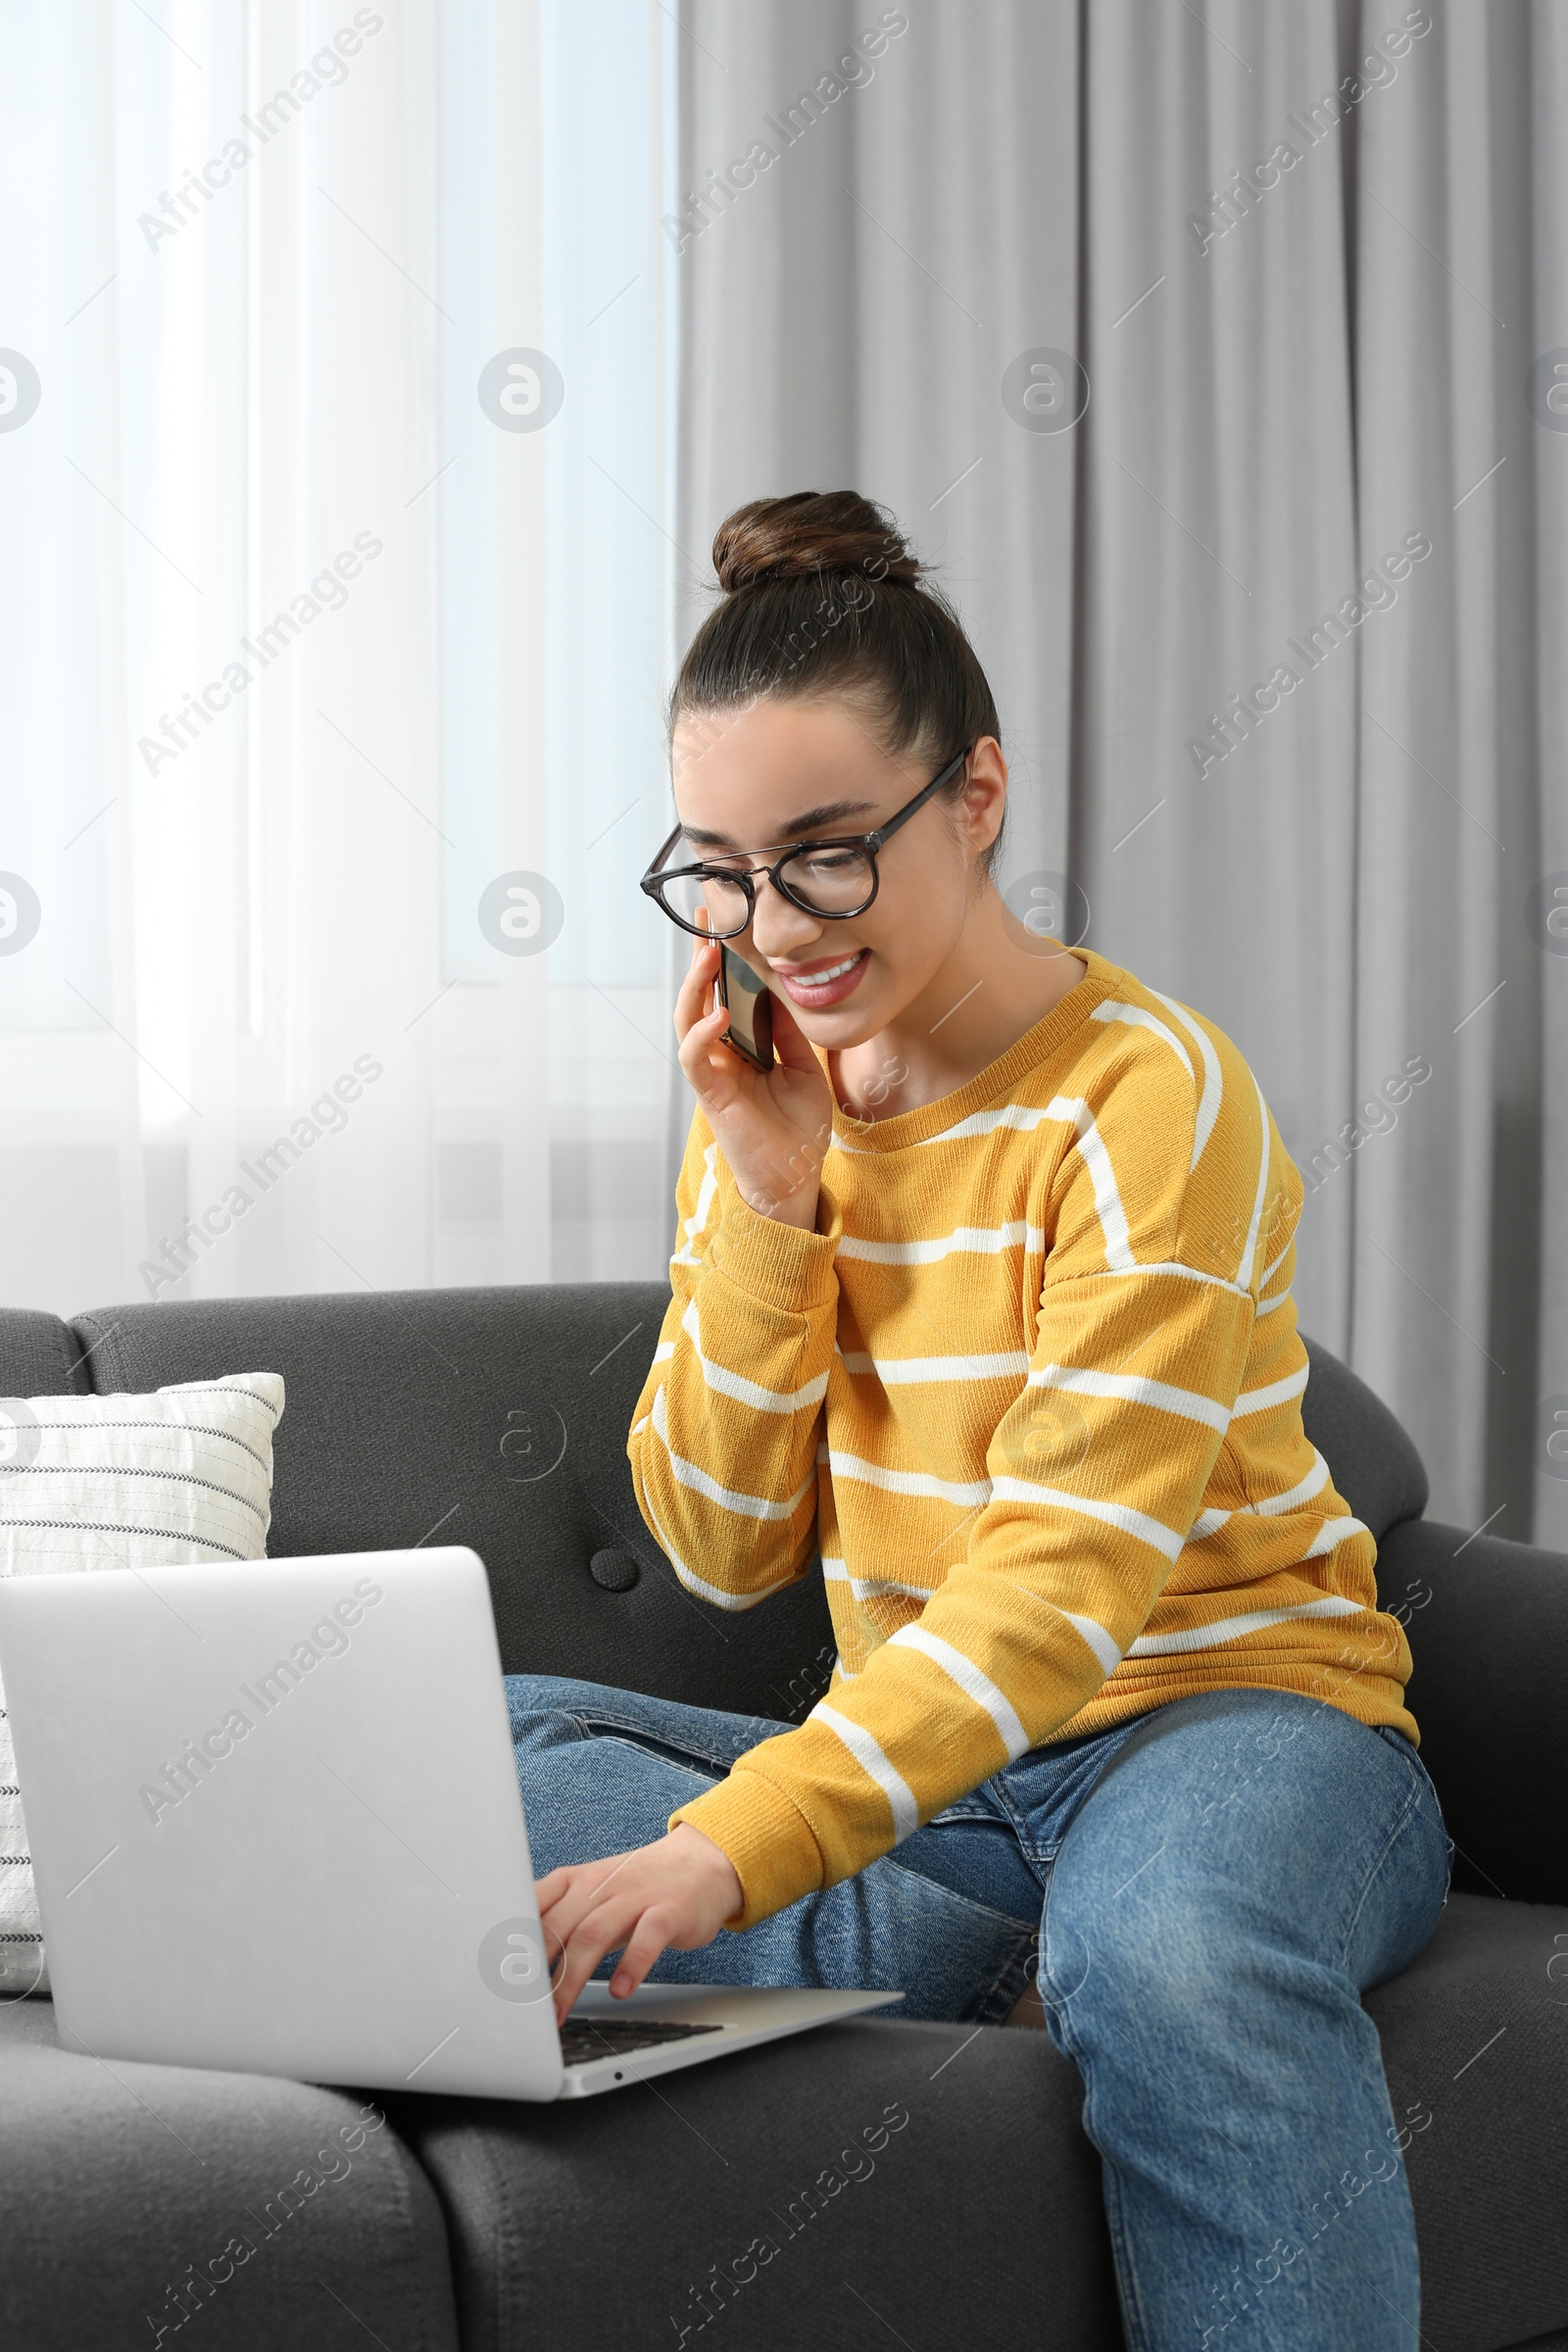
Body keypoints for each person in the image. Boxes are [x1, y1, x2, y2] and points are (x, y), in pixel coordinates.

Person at [507, 491, 1451, 2348]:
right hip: (960, 1790)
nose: (773, 927)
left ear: (979, 797)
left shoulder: (1150, 1097)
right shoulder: (774, 1102)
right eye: (720, 869)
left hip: (1235, 1724)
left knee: (1174, 1943)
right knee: (483, 1756)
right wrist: (775, 1204)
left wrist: (732, 1851)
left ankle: (1104, 1941)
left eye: (826, 856)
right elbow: (711, 1547)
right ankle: (1038, 1948)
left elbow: (1061, 1593)